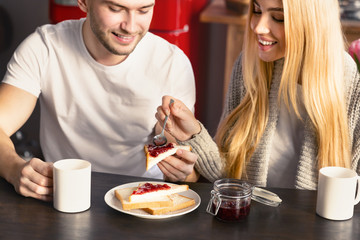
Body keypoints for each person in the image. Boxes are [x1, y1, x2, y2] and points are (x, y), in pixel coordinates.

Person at [0, 0, 197, 201]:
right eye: (115, 9)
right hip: (66, 196)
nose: (130, 26)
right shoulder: (45, 47)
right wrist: (14, 168)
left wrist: (182, 168)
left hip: (141, 202)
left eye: (143, 10)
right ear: (84, 2)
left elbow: (177, 150)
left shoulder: (172, 63)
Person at [155, 0, 360, 190]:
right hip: (249, 223)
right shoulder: (250, 66)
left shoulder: (348, 80)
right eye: (257, 10)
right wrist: (193, 135)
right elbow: (229, 176)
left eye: (278, 17)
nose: (258, 27)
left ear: (313, 23)